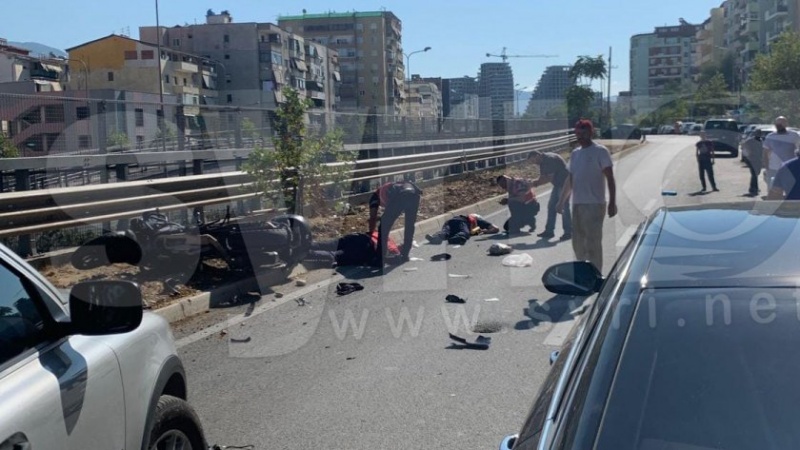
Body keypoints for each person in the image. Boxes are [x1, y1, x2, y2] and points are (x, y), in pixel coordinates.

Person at [556, 119, 617, 271]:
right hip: (577, 204)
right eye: (577, 133)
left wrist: (612, 202)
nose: (580, 136)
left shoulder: (600, 151)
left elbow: (610, 178)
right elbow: (570, 180)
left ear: (591, 133)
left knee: (592, 243)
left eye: (583, 133)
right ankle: (584, 273)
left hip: (595, 204)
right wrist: (561, 201)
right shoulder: (576, 154)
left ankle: (595, 274)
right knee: (577, 243)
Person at [368, 180, 422, 265]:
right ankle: (405, 255)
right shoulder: (390, 186)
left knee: (383, 227)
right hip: (414, 193)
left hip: (401, 195)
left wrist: (371, 234)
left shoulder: (374, 197)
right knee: (409, 225)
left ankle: (380, 258)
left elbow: (372, 217)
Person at [529, 150, 572, 241]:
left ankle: (569, 232)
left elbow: (548, 178)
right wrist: (534, 182)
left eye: (533, 161)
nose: (534, 163)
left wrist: (534, 184)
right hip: (557, 184)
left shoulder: (549, 159)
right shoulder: (542, 161)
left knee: (564, 207)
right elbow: (542, 177)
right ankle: (549, 231)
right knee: (551, 206)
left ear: (537, 155)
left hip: (565, 184)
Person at [304, 230, 401, 268]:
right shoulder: (393, 250)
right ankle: (304, 254)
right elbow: (379, 261)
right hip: (364, 248)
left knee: (329, 244)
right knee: (335, 255)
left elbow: (370, 231)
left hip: (358, 236)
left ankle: (302, 245)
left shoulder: (386, 236)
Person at [763, 116, 800, 188]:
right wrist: (767, 168)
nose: (779, 126)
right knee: (773, 190)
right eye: (778, 124)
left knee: (791, 190)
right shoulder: (770, 137)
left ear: (786, 124)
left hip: (790, 168)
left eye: (782, 123)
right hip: (774, 168)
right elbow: (765, 153)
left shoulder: (794, 135)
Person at [425, 213, 500, 245]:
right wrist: (485, 232)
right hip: (461, 222)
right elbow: (496, 228)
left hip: (449, 222)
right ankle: (458, 238)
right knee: (464, 232)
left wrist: (480, 231)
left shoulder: (476, 226)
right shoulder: (478, 220)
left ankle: (436, 237)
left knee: (445, 232)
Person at [741, 129, 764, 196]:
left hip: (758, 159)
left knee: (757, 173)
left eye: (759, 133)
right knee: (754, 174)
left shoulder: (761, 141)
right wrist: (748, 153)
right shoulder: (750, 140)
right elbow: (744, 145)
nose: (758, 134)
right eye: (757, 133)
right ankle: (753, 188)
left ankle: (754, 187)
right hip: (752, 159)